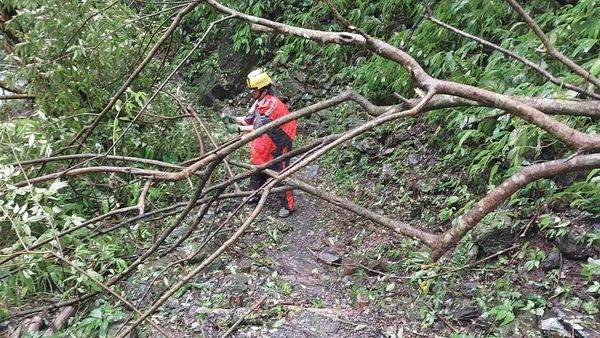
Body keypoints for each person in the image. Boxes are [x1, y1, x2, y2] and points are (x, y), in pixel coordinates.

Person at [222, 69, 297, 218]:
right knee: (257, 169)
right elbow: (249, 120)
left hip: (279, 143)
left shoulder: (272, 105)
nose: (251, 93)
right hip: (264, 142)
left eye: (253, 90)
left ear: (263, 90)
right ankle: (254, 195)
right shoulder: (259, 102)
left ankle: (288, 206)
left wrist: (237, 129)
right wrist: (233, 119)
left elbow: (258, 128)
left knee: (280, 174)